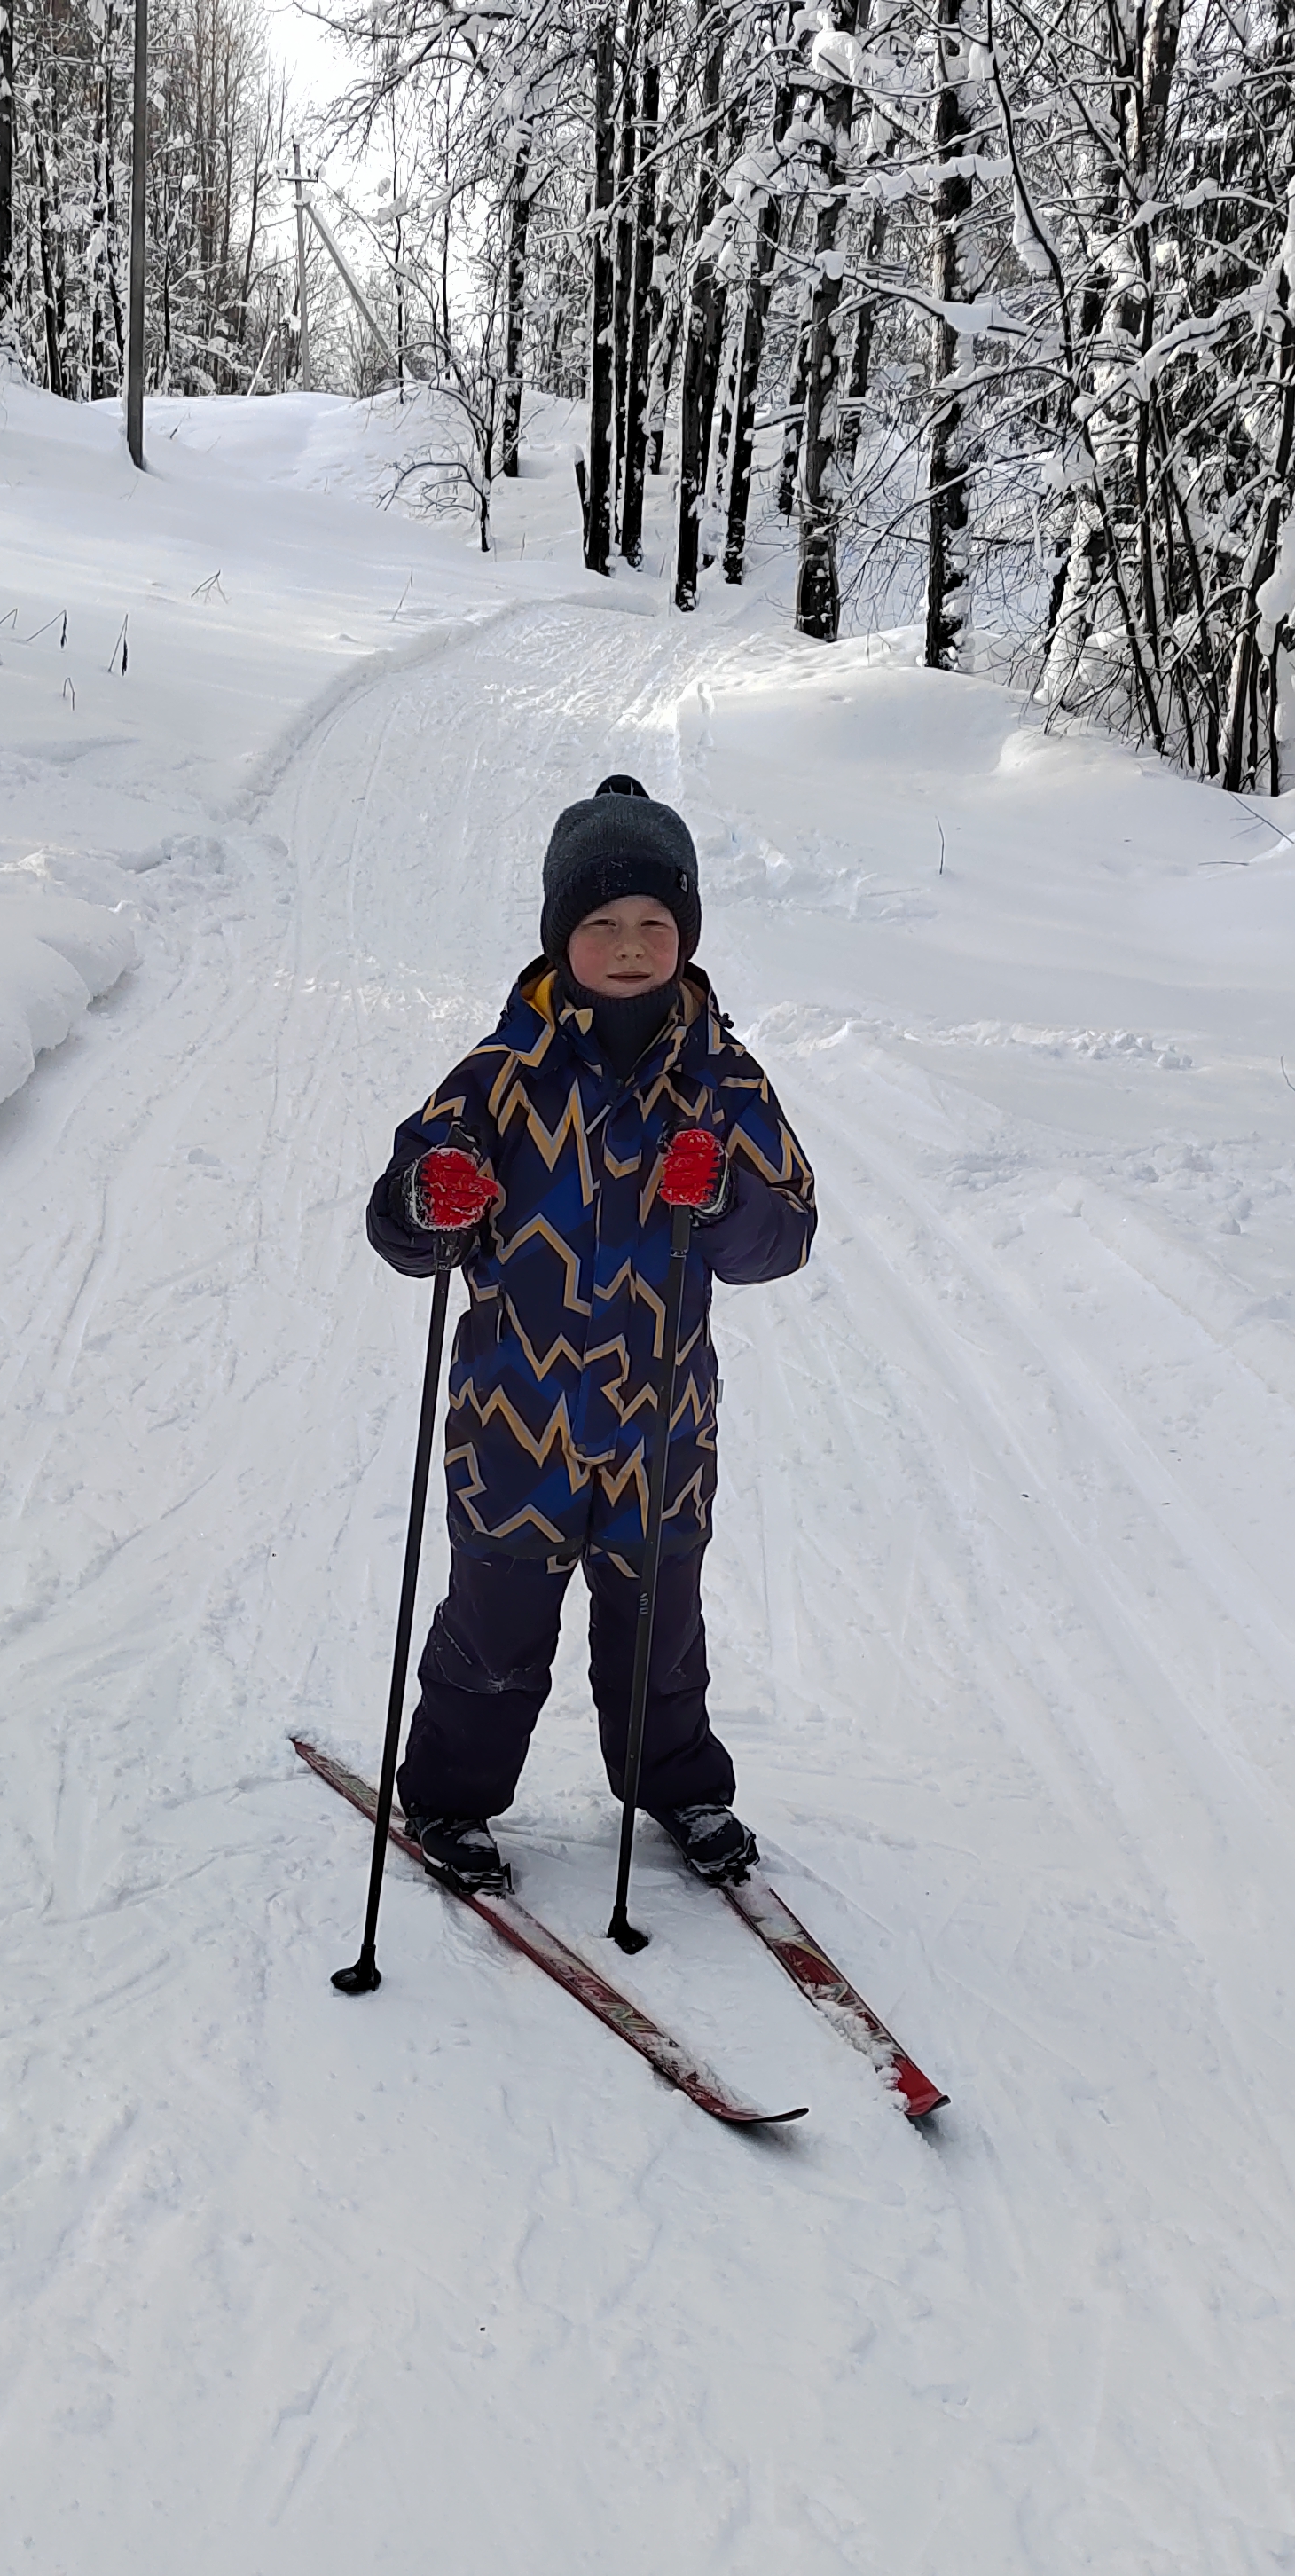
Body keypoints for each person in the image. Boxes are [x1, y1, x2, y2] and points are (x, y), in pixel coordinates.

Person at [365, 773, 818, 1896]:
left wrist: (723, 1202)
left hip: (663, 1416)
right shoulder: (502, 1073)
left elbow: (787, 1233)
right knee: (496, 1626)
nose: (628, 947)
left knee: (660, 1631)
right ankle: (452, 1799)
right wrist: (433, 1200)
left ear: (688, 934)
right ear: (562, 935)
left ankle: (678, 1783)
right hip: (518, 1415)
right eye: (602, 925)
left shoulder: (724, 1079)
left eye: (654, 924)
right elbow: (400, 1216)